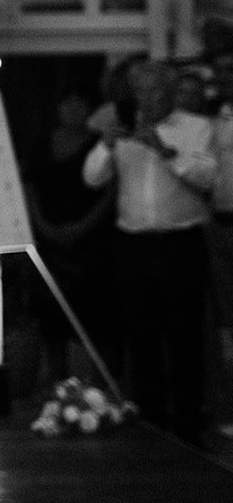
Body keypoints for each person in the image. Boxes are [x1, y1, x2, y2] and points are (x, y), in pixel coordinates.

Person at [83, 59, 212, 444]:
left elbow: (208, 177)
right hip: (133, 245)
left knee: (185, 337)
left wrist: (165, 151)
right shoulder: (123, 126)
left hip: (181, 243)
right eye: (140, 91)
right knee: (142, 336)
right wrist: (106, 145)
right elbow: (91, 178)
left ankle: (189, 427)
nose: (146, 99)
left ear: (171, 93)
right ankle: (152, 427)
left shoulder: (196, 127)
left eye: (155, 91)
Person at [26, 84, 114, 382]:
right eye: (68, 103)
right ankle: (58, 386)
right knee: (51, 318)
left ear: (90, 109)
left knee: (93, 317)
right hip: (48, 240)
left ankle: (96, 387)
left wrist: (82, 227)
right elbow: (31, 187)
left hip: (91, 243)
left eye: (80, 103)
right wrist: (41, 225)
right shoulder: (42, 143)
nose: (73, 109)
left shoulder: (100, 144)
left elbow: (110, 192)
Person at [207, 52, 233, 439]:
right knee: (225, 320)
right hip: (220, 221)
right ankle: (226, 407)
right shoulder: (209, 121)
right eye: (222, 72)